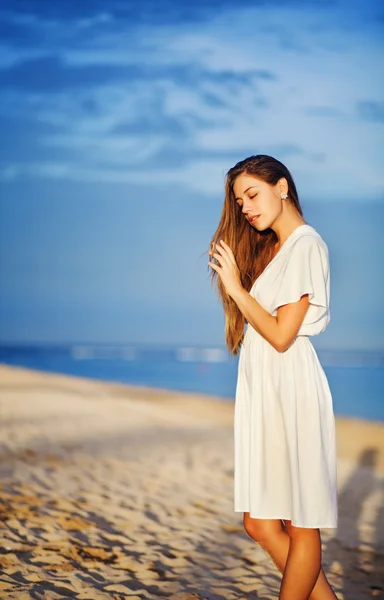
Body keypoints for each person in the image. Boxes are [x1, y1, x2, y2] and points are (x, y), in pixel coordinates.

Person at [208, 154, 338, 600]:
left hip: (292, 389)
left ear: (282, 187)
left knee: (301, 522)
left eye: (252, 194)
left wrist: (237, 290)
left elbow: (282, 335)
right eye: (239, 201)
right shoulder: (276, 250)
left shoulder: (306, 245)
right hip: (265, 392)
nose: (245, 207)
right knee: (260, 521)